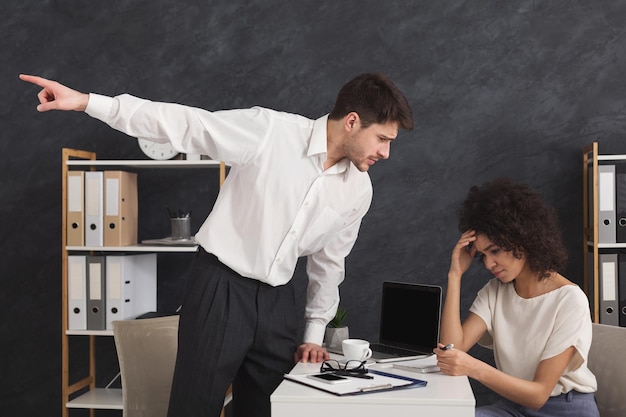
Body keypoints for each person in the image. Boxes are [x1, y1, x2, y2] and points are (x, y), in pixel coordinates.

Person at [20, 72, 413, 417]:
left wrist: (313, 334)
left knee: (272, 409)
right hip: (220, 288)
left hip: (278, 302)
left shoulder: (358, 190)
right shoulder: (270, 132)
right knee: (195, 407)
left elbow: (331, 261)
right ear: (352, 121)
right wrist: (89, 103)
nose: (385, 152)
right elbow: (186, 124)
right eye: (382, 139)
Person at [435, 177, 599, 417]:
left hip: (564, 410)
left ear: (522, 238)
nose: (489, 263)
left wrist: (473, 367)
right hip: (514, 406)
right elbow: (452, 348)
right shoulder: (495, 292)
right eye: (482, 255)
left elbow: (538, 394)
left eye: (495, 251)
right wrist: (455, 275)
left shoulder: (569, 300)